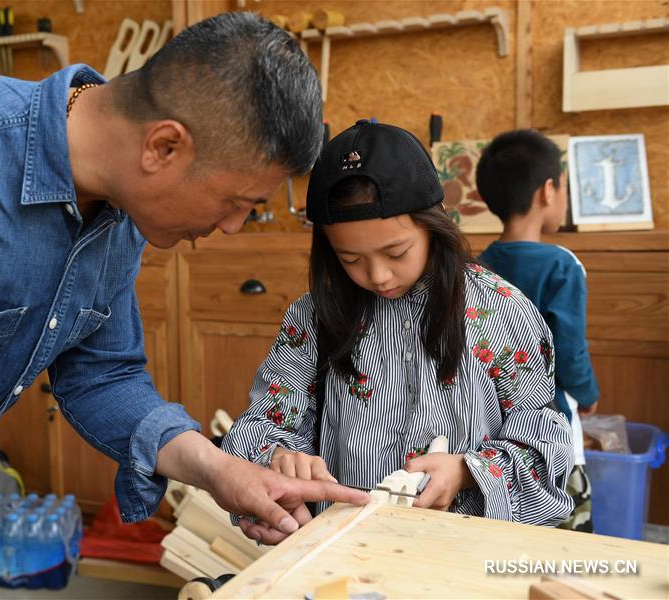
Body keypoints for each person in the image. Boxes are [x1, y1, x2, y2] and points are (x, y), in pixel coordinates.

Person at [0, 13, 369, 599]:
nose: (235, 228)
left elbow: (103, 375)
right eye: (239, 202)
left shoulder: (121, 213)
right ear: (164, 146)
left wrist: (218, 470)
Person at [222, 120, 574, 544]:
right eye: (350, 259)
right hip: (341, 551)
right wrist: (280, 457)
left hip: (460, 557)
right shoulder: (316, 318)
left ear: (434, 224)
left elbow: (546, 448)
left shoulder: (502, 313)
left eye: (396, 251)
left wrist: (465, 471)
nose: (378, 275)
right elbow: (258, 429)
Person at [476, 129, 599, 532]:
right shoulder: (562, 264)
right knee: (566, 544)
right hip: (552, 431)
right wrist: (589, 394)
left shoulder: (476, 266)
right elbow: (569, 350)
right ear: (548, 190)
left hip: (490, 434)